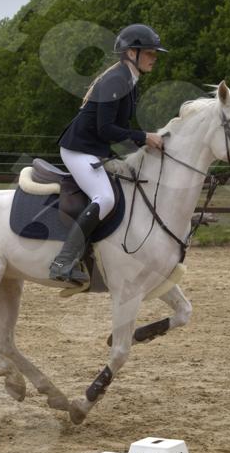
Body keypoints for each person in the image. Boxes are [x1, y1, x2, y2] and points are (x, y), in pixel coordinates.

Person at [48, 23, 167, 284]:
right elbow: (106, 128)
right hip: (78, 149)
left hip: (93, 149)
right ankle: (62, 261)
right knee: (105, 198)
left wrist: (142, 145)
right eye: (150, 53)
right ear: (132, 53)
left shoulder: (130, 81)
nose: (154, 58)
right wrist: (144, 137)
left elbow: (119, 130)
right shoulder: (117, 80)